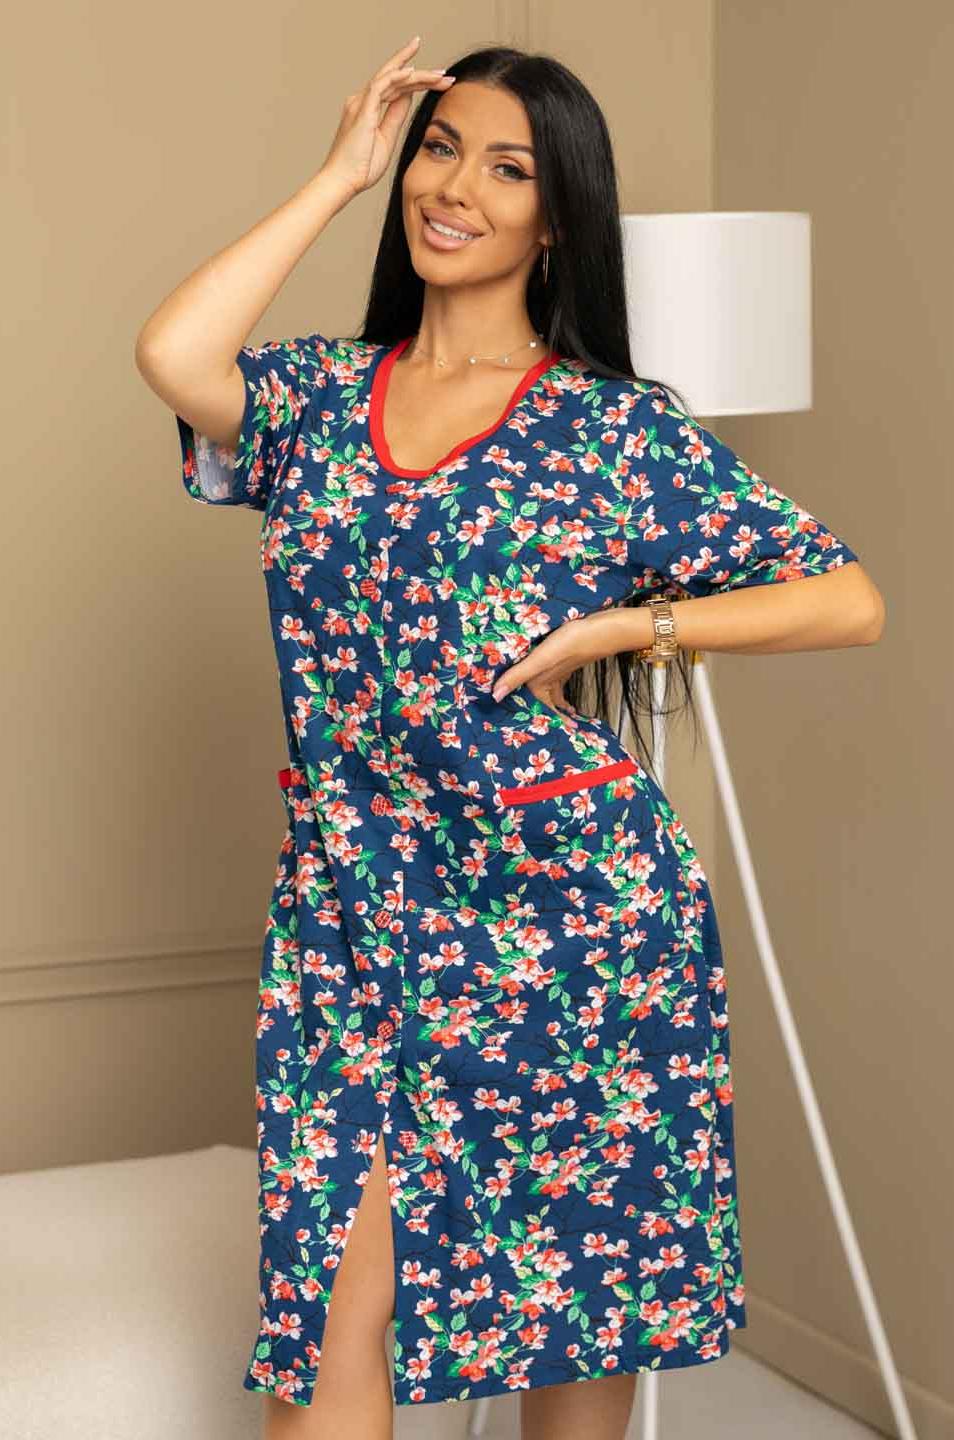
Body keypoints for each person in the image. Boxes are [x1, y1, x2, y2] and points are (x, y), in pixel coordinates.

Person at [135, 34, 885, 1440]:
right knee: (329, 1310)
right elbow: (172, 353)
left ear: (558, 218)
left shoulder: (610, 432)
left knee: (572, 1306)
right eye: (439, 150)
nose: (455, 187)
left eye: (507, 168)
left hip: (573, 914)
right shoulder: (314, 399)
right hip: (353, 907)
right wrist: (338, 172)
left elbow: (847, 599)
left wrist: (624, 630)